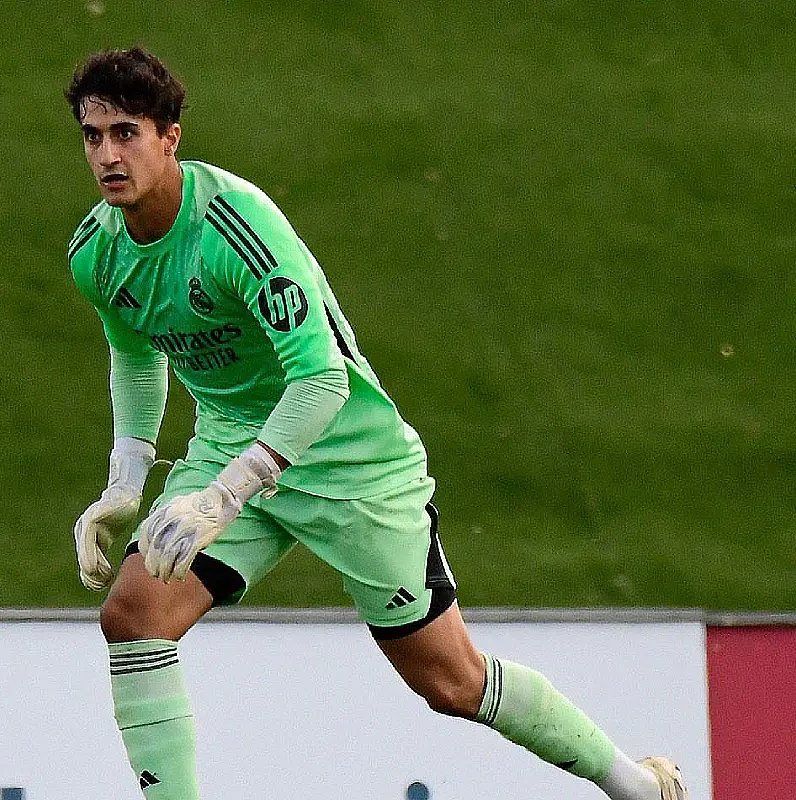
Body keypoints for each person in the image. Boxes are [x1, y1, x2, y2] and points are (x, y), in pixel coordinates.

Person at [66, 45, 687, 800]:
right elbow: (136, 351)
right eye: (93, 136)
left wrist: (222, 498)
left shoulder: (235, 230)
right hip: (233, 444)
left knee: (450, 681)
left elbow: (322, 380)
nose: (108, 155)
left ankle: (637, 786)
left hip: (347, 455)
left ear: (170, 137)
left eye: (126, 133)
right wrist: (126, 481)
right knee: (134, 617)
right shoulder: (96, 252)